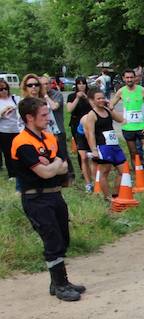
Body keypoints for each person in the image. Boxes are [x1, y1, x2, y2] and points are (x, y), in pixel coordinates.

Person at [12, 97, 86, 301]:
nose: (48, 118)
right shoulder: (22, 142)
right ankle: (60, 285)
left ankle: (59, 281)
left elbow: (63, 165)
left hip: (55, 194)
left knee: (63, 238)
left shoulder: (48, 137)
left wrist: (50, 165)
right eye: (43, 115)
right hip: (35, 199)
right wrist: (52, 166)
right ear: (29, 118)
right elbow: (44, 172)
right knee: (52, 240)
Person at [110, 68, 144, 180]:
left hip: (143, 127)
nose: (129, 79)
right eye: (127, 77)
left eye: (131, 77)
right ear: (124, 79)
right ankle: (139, 177)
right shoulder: (121, 91)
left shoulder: (142, 90)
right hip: (128, 128)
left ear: (135, 78)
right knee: (134, 154)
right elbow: (110, 106)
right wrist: (120, 119)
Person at [80, 87, 128, 203]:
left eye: (103, 97)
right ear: (93, 100)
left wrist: (111, 108)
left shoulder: (107, 110)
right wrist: (94, 150)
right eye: (98, 98)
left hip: (114, 145)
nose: (101, 100)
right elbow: (90, 134)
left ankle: (115, 195)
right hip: (103, 146)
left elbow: (121, 120)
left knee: (124, 170)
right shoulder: (92, 115)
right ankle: (107, 197)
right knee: (104, 171)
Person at [0, 79, 21, 181]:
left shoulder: (15, 98)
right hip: (4, 131)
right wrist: (2, 112)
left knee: (20, 152)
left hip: (17, 129)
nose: (4, 91)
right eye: (1, 89)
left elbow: (22, 108)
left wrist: (14, 108)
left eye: (5, 88)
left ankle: (21, 171)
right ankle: (12, 174)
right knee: (8, 153)